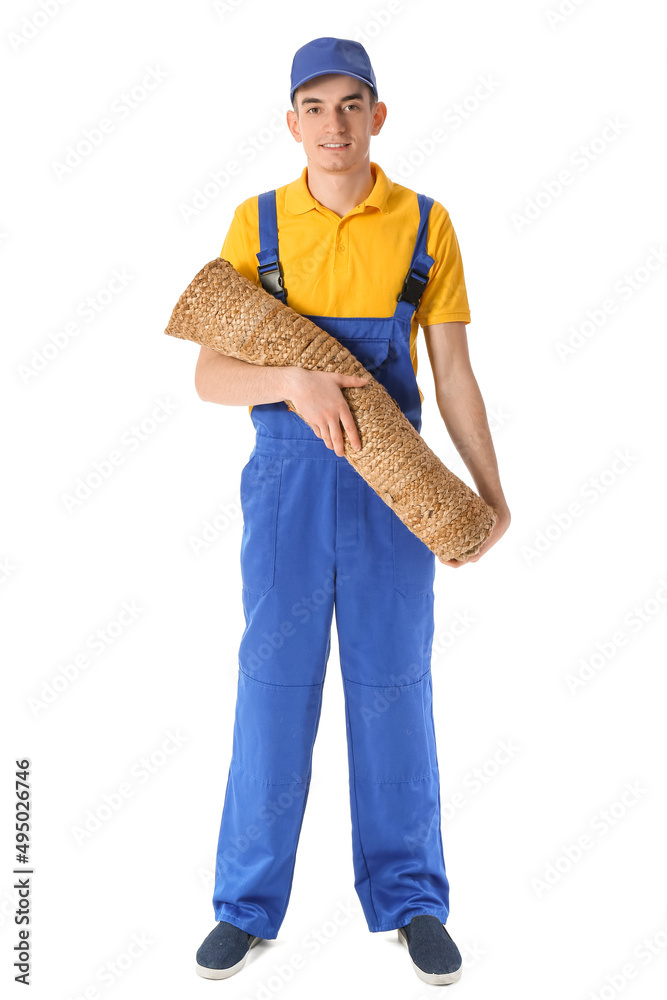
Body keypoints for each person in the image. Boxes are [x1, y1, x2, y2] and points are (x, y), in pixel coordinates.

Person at [193, 36, 510, 987]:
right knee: (272, 687)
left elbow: (451, 372)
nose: (333, 124)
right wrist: (292, 376)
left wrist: (489, 492)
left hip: (395, 490)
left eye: (350, 104)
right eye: (314, 107)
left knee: (393, 690)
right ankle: (246, 909)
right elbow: (210, 372)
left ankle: (411, 902)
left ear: (379, 115)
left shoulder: (424, 224)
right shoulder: (258, 227)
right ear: (290, 123)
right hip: (288, 485)